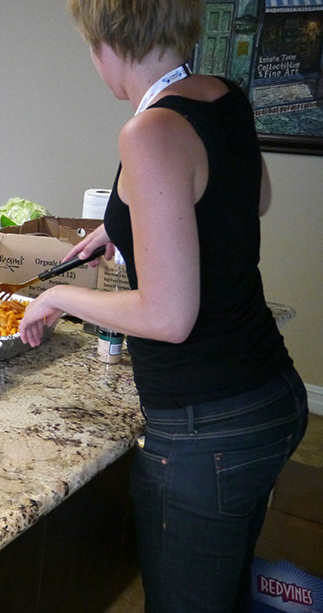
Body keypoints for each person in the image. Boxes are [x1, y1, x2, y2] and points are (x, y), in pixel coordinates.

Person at [18, 1, 308, 611]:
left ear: (107, 41)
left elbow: (169, 318)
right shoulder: (222, 94)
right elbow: (249, 199)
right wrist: (124, 227)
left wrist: (58, 295)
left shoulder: (148, 131)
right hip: (272, 394)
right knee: (223, 590)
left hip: (208, 428)